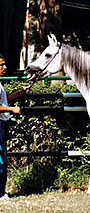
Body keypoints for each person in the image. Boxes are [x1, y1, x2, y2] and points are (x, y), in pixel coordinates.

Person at [0, 54, 29, 200]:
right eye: (1, 65)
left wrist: (20, 92)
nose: (4, 68)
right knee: (1, 160)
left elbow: (5, 99)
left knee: (3, 158)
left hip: (2, 124)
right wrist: (12, 110)